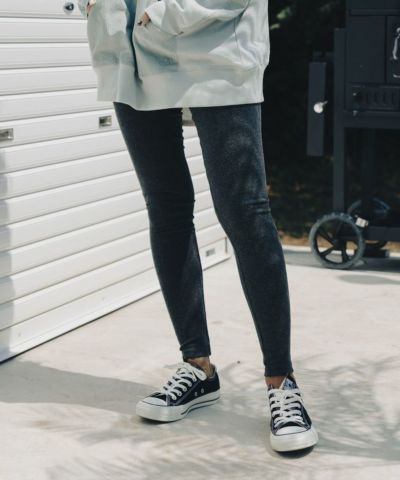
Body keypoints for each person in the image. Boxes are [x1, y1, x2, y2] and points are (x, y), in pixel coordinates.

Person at [79, 0, 318, 452]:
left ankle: (281, 380)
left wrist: (165, 13)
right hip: (129, 50)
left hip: (216, 48)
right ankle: (198, 367)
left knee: (244, 212)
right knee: (166, 208)